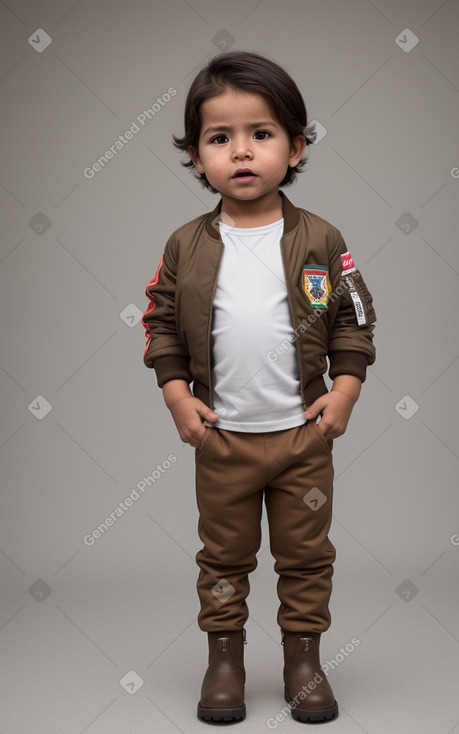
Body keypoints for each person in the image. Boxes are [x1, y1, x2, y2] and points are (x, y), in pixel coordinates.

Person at [142, 51, 376, 724]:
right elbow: (158, 323)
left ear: (296, 146)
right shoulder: (186, 245)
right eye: (219, 138)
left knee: (305, 554)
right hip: (223, 441)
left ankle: (303, 658)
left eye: (261, 134)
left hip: (303, 436)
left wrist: (346, 389)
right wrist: (176, 395)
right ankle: (224, 660)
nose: (240, 152)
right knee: (223, 555)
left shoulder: (320, 239)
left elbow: (353, 317)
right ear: (195, 156)